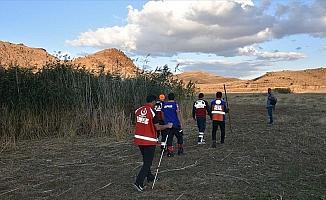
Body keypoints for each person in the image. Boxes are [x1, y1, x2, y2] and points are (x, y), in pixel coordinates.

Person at [133, 95, 172, 192]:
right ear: (153, 101)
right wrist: (167, 125)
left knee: (146, 160)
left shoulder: (138, 110)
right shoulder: (152, 112)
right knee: (147, 163)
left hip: (139, 139)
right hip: (149, 140)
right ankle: (138, 182)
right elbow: (157, 127)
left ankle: (150, 177)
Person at [162, 92, 184, 157]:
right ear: (174, 97)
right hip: (175, 124)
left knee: (169, 138)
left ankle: (170, 152)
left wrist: (165, 121)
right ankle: (180, 150)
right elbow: (178, 114)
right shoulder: (175, 104)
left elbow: (162, 114)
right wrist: (181, 123)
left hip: (168, 124)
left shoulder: (164, 104)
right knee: (180, 137)